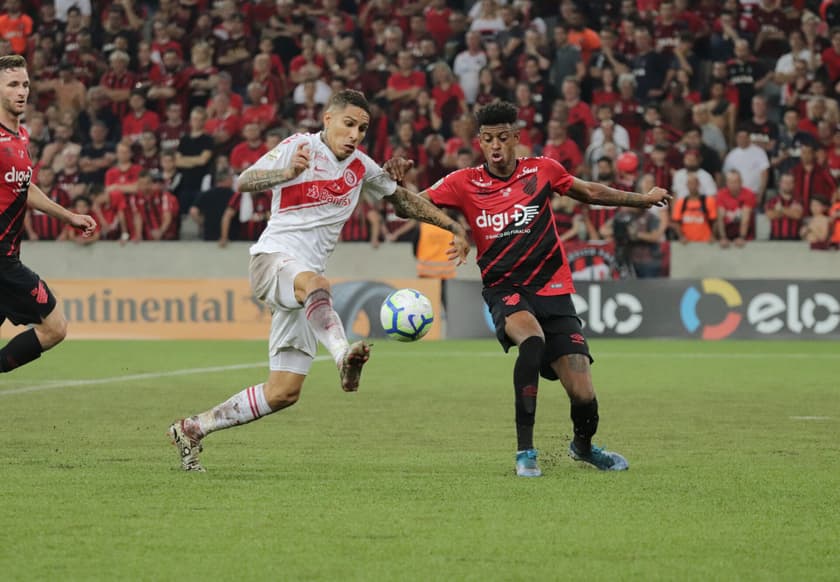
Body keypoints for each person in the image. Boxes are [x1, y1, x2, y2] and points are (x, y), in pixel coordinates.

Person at [168, 90, 470, 472]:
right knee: (318, 284)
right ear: (328, 119)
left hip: (305, 289)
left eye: (362, 128)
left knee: (283, 392)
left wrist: (454, 226)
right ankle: (342, 354)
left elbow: (403, 201)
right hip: (273, 260)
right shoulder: (299, 147)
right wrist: (286, 173)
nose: (355, 134)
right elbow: (245, 181)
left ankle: (193, 427)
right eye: (349, 124)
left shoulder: (361, 167)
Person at [384, 102, 671, 476]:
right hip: (506, 288)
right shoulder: (464, 182)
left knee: (583, 393)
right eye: (488, 140)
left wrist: (642, 199)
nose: (496, 146)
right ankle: (525, 453)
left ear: (516, 138)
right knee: (532, 342)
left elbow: (589, 192)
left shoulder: (543, 170)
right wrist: (394, 185)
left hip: (553, 290)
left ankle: (582, 448)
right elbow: (407, 208)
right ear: (480, 143)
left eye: (503, 137)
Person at [0, 55, 96, 374]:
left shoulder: (20, 136)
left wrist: (69, 217)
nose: (22, 91)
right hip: (3, 261)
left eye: (25, 84)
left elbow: (25, 189)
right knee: (55, 327)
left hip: (8, 258)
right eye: (13, 84)